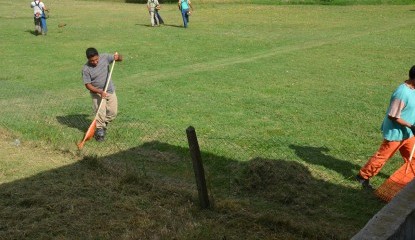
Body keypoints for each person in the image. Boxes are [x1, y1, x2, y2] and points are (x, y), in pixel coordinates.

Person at [356, 65, 415, 190]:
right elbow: (393, 116)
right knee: (382, 157)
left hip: (409, 133)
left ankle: (410, 179)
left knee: (413, 157)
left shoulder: (414, 89)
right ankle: (363, 176)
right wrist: (411, 126)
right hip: (396, 133)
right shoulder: (402, 93)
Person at [82, 48, 123, 142]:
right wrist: (100, 92)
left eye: (96, 59)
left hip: (110, 90)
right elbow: (88, 85)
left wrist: (118, 57)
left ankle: (103, 125)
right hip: (97, 94)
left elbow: (120, 58)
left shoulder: (105, 57)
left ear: (98, 56)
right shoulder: (86, 69)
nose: (95, 62)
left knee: (113, 113)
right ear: (88, 59)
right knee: (100, 113)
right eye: (92, 61)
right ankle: (100, 132)